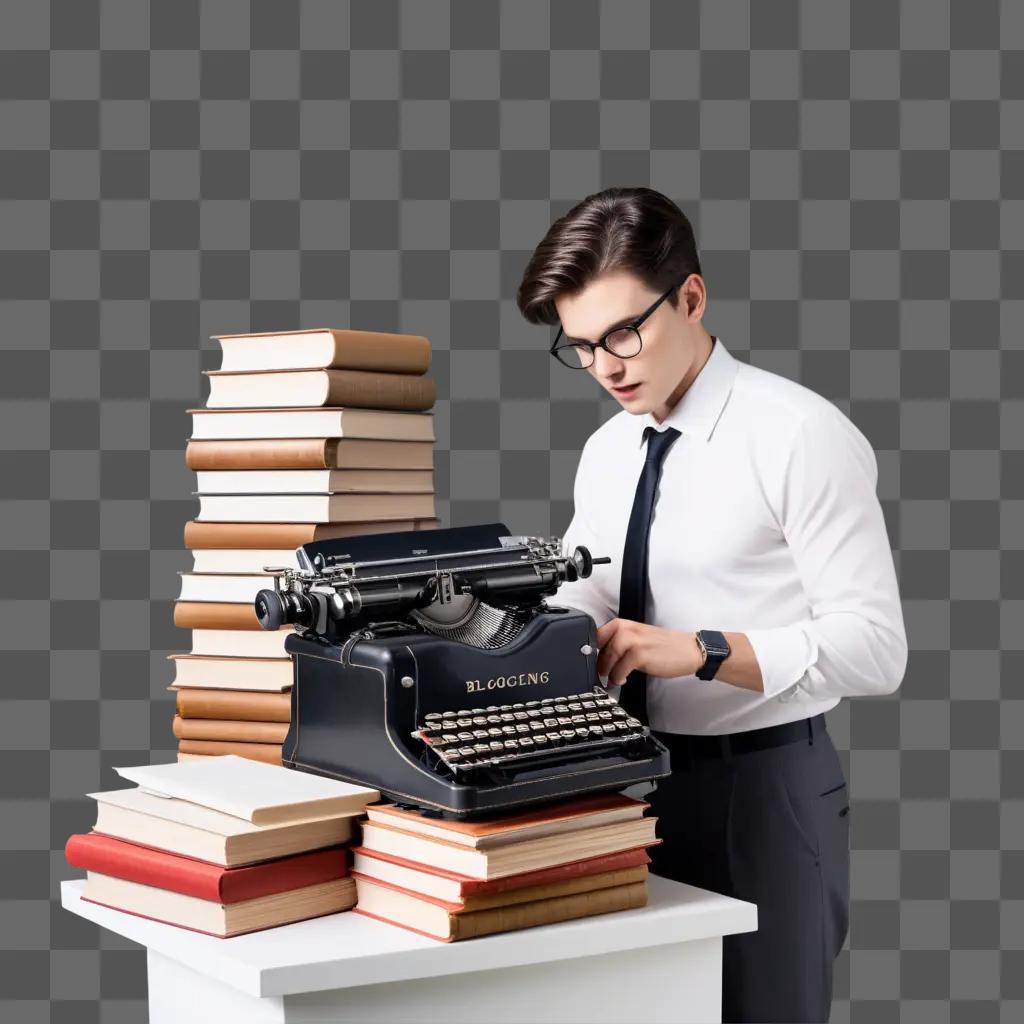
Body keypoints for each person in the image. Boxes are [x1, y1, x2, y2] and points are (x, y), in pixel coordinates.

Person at [516, 187, 908, 1023]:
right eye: (581, 346)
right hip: (624, 788)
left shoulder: (799, 434)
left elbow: (876, 647)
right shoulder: (609, 447)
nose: (607, 366)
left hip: (763, 793)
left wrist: (699, 649)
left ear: (691, 297)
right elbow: (595, 582)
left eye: (625, 333)